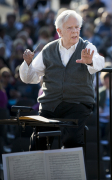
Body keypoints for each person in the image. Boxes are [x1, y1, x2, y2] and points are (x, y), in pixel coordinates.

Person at [19, 10, 105, 150]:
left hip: (77, 103)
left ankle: (70, 170)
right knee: (37, 142)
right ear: (59, 31)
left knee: (72, 140)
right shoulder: (48, 49)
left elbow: (100, 63)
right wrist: (27, 64)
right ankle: (38, 171)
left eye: (77, 27)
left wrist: (90, 62)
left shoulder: (87, 47)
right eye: (69, 28)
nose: (74, 31)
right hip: (50, 104)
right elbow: (30, 78)